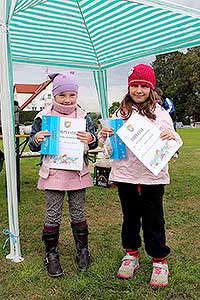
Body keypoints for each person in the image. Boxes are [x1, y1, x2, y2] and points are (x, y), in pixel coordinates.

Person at [99, 64, 182, 287]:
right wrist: (105, 136)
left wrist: (170, 136)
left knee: (154, 220)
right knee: (130, 218)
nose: (138, 90)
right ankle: (131, 255)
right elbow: (109, 150)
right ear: (128, 87)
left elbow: (172, 145)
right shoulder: (119, 113)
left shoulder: (161, 113)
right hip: (125, 175)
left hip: (152, 178)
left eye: (143, 86)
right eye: (134, 85)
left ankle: (159, 260)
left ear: (151, 89)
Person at [28, 71, 98, 277]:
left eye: (72, 95)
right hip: (53, 173)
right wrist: (38, 139)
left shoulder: (83, 116)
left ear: (77, 95)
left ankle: (82, 250)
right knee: (53, 213)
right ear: (54, 95)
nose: (67, 100)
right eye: (62, 95)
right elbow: (32, 144)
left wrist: (90, 138)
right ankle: (51, 254)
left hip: (77, 172)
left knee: (79, 212)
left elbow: (94, 142)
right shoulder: (43, 117)